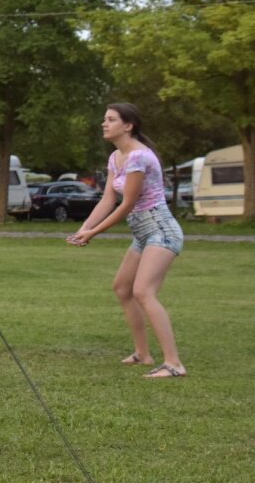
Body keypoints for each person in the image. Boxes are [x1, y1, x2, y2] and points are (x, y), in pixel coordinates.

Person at [67, 102, 187, 379]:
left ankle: (174, 364)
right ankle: (143, 354)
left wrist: (93, 233)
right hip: (143, 233)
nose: (104, 124)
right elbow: (109, 198)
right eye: (104, 119)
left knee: (144, 292)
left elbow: (126, 204)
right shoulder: (116, 157)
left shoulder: (138, 157)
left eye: (110, 119)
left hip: (161, 229)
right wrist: (84, 228)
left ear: (128, 125)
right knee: (123, 288)